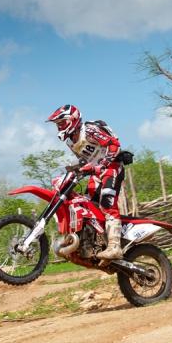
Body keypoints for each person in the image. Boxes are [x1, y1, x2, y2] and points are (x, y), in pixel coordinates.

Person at [47, 104, 124, 260]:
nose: (59, 127)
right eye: (58, 124)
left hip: (112, 168)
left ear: (72, 120)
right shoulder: (70, 141)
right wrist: (77, 168)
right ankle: (95, 243)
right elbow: (84, 160)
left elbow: (114, 145)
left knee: (107, 204)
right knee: (88, 206)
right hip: (96, 173)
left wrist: (102, 165)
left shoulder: (88, 130)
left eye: (61, 123)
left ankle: (115, 246)